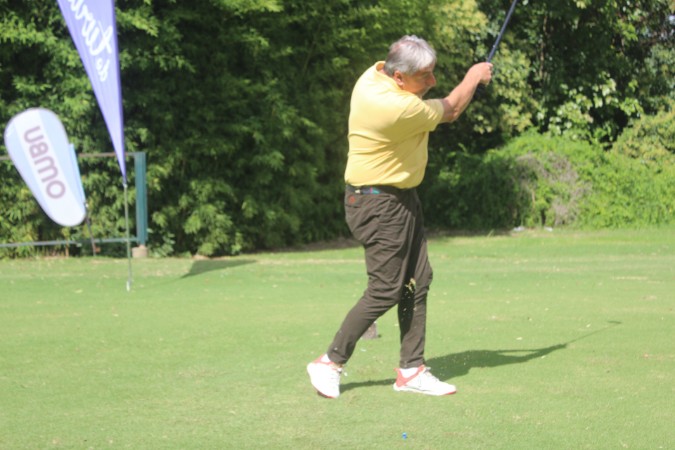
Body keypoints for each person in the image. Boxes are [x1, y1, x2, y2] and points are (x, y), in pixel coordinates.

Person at [307, 35, 493, 398]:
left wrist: (409, 46)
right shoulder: (396, 107)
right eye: (425, 76)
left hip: (400, 197)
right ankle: (329, 362)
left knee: (418, 280)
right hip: (377, 204)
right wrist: (474, 75)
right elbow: (453, 109)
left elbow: (407, 60)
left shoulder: (373, 73)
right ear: (399, 78)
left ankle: (411, 370)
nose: (432, 82)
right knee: (385, 289)